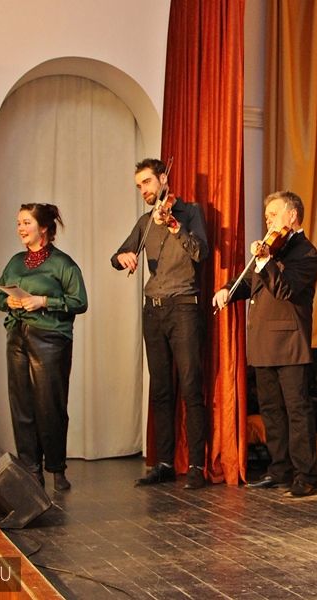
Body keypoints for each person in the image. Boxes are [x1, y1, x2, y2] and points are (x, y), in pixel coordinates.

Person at [212, 191, 317, 497]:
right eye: (267, 215)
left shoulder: (305, 252)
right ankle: (280, 469)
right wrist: (227, 289)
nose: (268, 220)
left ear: (292, 215)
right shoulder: (271, 250)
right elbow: (249, 281)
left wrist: (265, 260)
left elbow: (285, 289)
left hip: (289, 343)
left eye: (273, 214)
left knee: (297, 411)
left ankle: (306, 475)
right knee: (271, 410)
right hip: (263, 343)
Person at [111, 158, 209, 490]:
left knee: (191, 386)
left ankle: (196, 465)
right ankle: (164, 463)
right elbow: (118, 256)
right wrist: (122, 257)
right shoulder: (144, 222)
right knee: (161, 389)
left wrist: (175, 227)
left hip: (183, 307)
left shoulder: (190, 213)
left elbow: (201, 253)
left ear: (163, 179)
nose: (143, 190)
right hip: (153, 310)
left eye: (147, 182)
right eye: (139, 186)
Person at [0, 203, 88, 491]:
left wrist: (44, 301)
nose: (20, 228)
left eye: (26, 223)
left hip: (50, 339)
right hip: (18, 336)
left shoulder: (63, 264)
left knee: (50, 406)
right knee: (21, 406)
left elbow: (80, 302)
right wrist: (8, 301)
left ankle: (57, 468)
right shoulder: (16, 262)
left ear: (43, 228)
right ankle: (31, 469)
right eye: (19, 223)